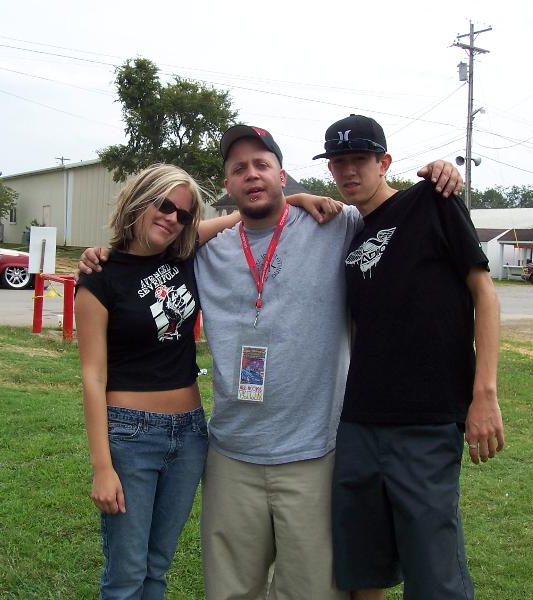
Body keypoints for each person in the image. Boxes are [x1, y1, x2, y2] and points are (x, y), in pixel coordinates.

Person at [79, 125, 463, 600]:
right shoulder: (203, 251)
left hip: (312, 455)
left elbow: (387, 209)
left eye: (262, 164)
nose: (252, 175)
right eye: (239, 168)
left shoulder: (335, 225)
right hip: (230, 457)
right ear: (227, 185)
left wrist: (440, 175)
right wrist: (104, 254)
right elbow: (148, 249)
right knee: (229, 590)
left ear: (283, 175)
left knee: (310, 592)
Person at [75, 162, 343, 600]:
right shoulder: (99, 276)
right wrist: (102, 468)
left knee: (157, 567)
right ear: (139, 200)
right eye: (164, 206)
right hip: (131, 435)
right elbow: (92, 375)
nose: (172, 219)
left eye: (183, 214)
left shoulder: (181, 253)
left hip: (190, 435)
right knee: (126, 575)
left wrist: (295, 198)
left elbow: (246, 213)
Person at [314, 114, 504, 599]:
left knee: (433, 572)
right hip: (358, 421)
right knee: (362, 565)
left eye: (360, 159)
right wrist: (297, 197)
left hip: (426, 420)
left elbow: (484, 294)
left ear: (384, 162)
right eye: (338, 162)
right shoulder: (351, 231)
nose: (348, 170)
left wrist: (484, 394)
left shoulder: (432, 201)